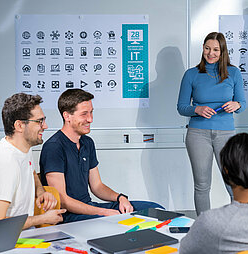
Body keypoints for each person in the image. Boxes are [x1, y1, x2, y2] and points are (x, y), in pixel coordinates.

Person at [39, 89, 163, 223]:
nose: (90, 119)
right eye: (84, 114)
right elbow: (62, 200)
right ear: (67, 116)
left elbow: (97, 186)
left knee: (156, 209)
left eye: (91, 112)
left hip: (90, 208)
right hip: (69, 215)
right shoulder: (54, 147)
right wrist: (103, 212)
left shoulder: (87, 142)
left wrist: (120, 198)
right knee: (116, 220)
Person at [177, 32, 246, 215]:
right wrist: (196, 110)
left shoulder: (233, 73)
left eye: (216, 49)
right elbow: (182, 107)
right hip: (198, 134)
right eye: (207, 48)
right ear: (203, 49)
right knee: (201, 185)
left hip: (226, 134)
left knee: (233, 183)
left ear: (222, 51)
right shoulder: (191, 74)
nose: (211, 53)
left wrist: (236, 104)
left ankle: (237, 225)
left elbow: (242, 103)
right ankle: (203, 228)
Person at [0, 93, 66, 228]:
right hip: (3, 246)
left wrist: (40, 191)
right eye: (39, 121)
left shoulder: (22, 148)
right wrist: (41, 219)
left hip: (22, 237)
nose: (45, 126)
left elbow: (31, 172)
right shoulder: (4, 163)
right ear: (19, 126)